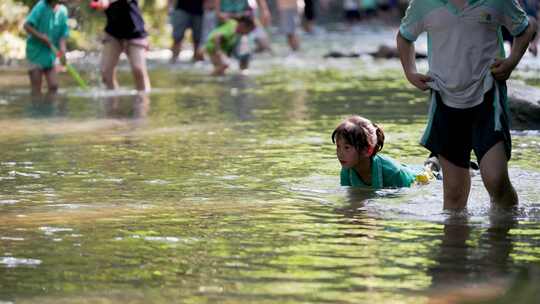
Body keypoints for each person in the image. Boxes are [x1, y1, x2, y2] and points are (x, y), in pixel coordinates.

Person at [397, 0, 537, 209]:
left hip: (488, 96)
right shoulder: (423, 3)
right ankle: (455, 240)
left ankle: (505, 230)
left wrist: (511, 61)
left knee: (496, 180)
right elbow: (404, 37)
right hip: (445, 99)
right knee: (454, 193)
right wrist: (410, 72)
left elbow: (524, 29)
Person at [332, 115, 429, 189]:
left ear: (367, 150)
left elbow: (404, 198)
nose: (340, 153)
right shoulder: (347, 170)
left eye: (347, 147)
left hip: (421, 180)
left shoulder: (392, 172)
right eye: (338, 146)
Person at [91, 0, 151, 92]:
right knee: (105, 72)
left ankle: (143, 102)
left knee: (138, 70)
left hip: (135, 31)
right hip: (112, 32)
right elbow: (96, 4)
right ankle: (113, 101)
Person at [24, 0, 69, 95]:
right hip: (35, 53)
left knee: (54, 86)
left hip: (50, 55)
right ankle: (37, 108)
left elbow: (63, 33)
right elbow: (27, 26)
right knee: (36, 88)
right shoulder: (41, 6)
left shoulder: (63, 11)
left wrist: (62, 49)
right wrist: (41, 37)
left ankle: (49, 109)